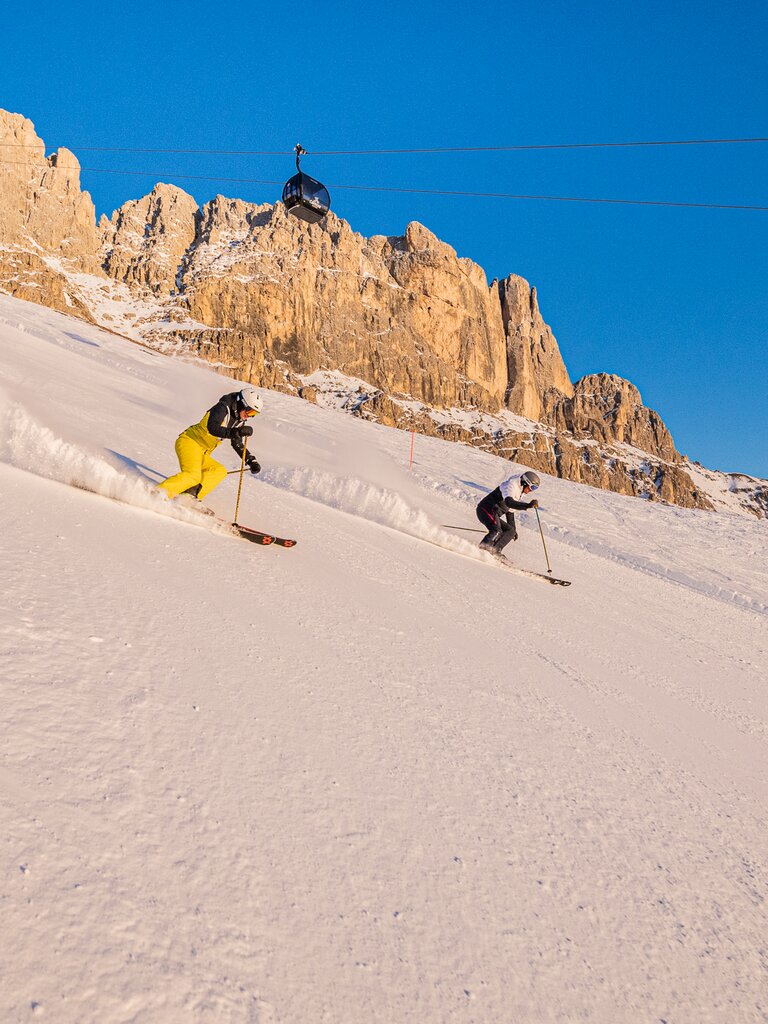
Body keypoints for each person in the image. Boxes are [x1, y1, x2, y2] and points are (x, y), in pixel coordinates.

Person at [157, 387, 263, 504]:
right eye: (250, 411)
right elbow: (212, 427)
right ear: (242, 403)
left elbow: (237, 443)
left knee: (219, 471)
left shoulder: (239, 420)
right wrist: (235, 432)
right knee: (193, 476)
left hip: (202, 452)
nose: (249, 416)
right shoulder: (223, 407)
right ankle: (159, 493)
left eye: (254, 414)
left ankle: (189, 497)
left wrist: (250, 460)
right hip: (190, 442)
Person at [476, 470, 540, 557]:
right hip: (486, 509)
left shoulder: (520, 491)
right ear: (526, 482)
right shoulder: (511, 485)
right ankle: (482, 550)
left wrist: (513, 531)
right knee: (496, 531)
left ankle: (495, 551)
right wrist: (528, 505)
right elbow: (509, 502)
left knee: (510, 531)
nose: (531, 490)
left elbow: (510, 511)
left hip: (493, 513)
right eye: (532, 487)